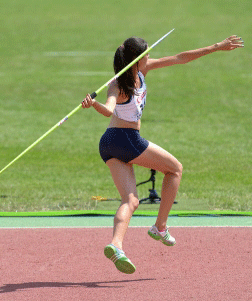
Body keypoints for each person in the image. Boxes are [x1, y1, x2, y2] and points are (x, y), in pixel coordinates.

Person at [82, 35, 244, 274]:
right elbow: (108, 109)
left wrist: (216, 47)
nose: (150, 57)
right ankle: (160, 227)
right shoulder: (117, 84)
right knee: (175, 169)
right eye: (147, 54)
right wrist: (92, 104)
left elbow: (180, 58)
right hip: (127, 141)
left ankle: (116, 245)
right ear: (137, 59)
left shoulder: (140, 71)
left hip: (108, 143)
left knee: (131, 200)